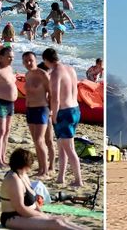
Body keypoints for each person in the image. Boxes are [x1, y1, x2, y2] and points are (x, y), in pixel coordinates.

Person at [0, 148, 84, 229]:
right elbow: (20, 208)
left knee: (61, 219)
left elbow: (34, 202)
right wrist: (41, 216)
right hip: (12, 217)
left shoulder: (23, 175)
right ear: (26, 165)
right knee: (56, 223)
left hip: (26, 214)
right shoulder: (13, 179)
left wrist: (42, 213)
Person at [43, 48, 82, 186]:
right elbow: (75, 90)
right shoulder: (70, 69)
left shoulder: (55, 73)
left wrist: (53, 114)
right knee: (62, 145)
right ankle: (61, 177)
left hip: (64, 112)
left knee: (69, 148)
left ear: (46, 60)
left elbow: (55, 98)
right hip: (75, 109)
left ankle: (78, 180)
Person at [23, 52, 52, 176]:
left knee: (41, 140)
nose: (29, 63)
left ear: (35, 60)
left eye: (31, 60)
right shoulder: (27, 75)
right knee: (35, 141)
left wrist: (50, 110)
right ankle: (40, 167)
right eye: (26, 61)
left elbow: (52, 93)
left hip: (42, 109)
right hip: (30, 110)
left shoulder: (43, 75)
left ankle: (45, 170)